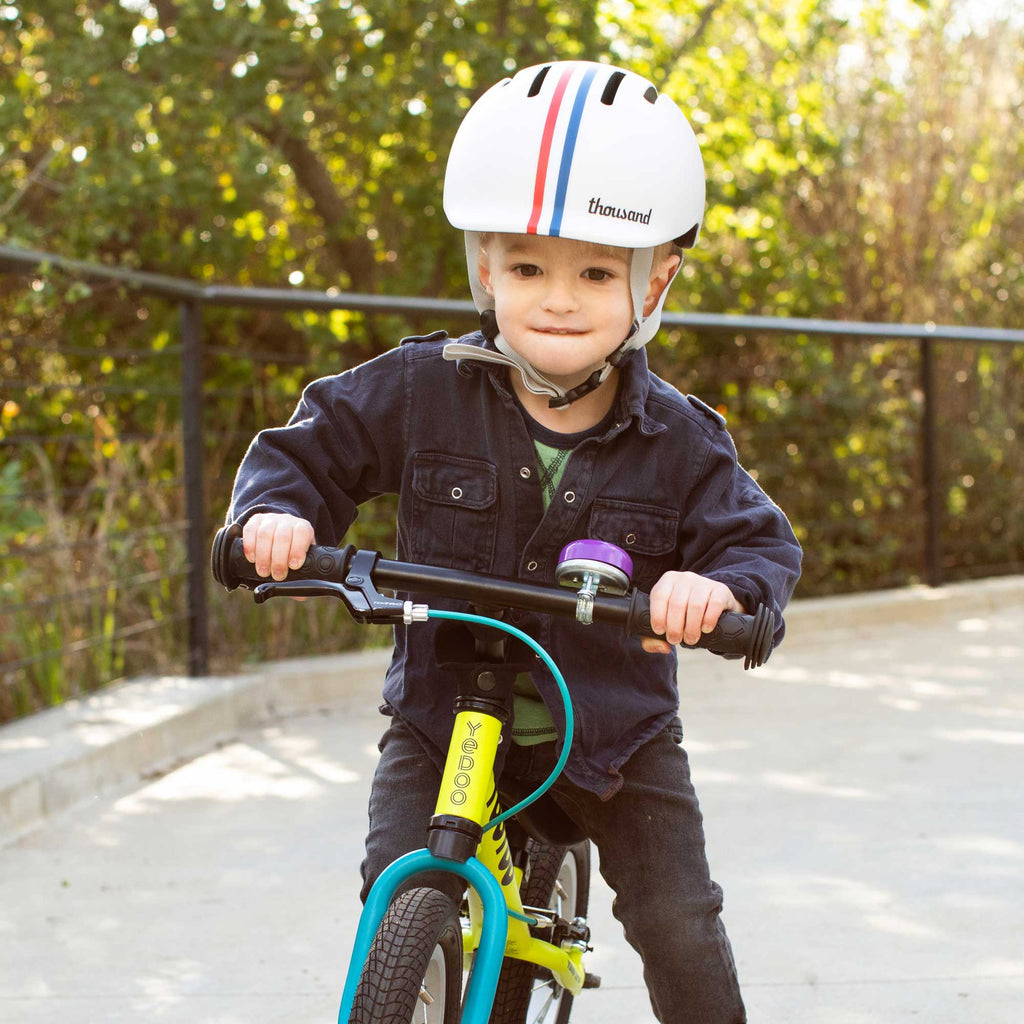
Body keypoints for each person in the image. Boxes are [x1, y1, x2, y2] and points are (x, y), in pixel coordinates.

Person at [227, 60, 801, 1023]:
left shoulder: (682, 441)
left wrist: (722, 596)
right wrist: (275, 520)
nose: (558, 298)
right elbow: (309, 453)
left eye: (592, 272)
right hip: (442, 714)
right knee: (396, 899)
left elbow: (754, 546)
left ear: (654, 280)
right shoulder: (420, 390)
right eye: (528, 267)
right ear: (485, 269)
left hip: (614, 733)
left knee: (678, 921)